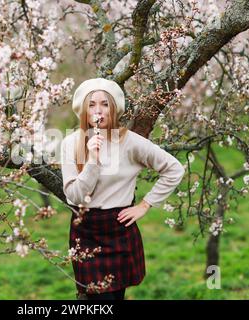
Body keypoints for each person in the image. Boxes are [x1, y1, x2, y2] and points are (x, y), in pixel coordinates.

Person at [60, 78, 186, 300]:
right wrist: (92, 161)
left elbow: (173, 168)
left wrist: (145, 205)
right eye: (92, 104)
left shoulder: (131, 142)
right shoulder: (71, 143)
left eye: (105, 104)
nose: (98, 110)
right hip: (85, 228)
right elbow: (74, 196)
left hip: (118, 228)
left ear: (114, 108)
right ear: (83, 110)